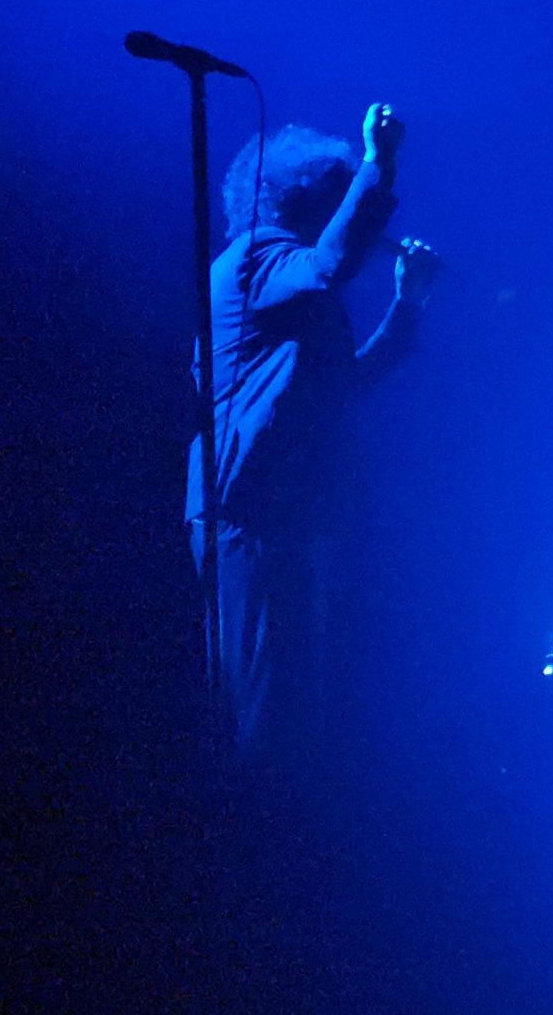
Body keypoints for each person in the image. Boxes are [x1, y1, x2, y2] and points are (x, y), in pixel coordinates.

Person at [189, 102, 441, 770]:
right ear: (302, 197)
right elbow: (331, 262)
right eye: (338, 195)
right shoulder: (256, 257)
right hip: (245, 504)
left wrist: (407, 304)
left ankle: (273, 816)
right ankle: (251, 823)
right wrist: (378, 165)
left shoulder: (291, 286)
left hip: (279, 505)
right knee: (261, 709)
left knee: (288, 705)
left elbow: (344, 388)